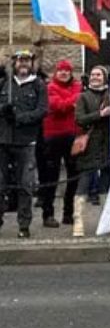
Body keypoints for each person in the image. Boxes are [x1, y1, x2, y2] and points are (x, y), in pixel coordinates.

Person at [1, 49, 47, 238]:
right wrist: (4, 109)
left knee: (25, 185)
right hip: (3, 139)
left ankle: (24, 224)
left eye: (27, 60)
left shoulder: (38, 85)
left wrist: (20, 117)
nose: (23, 63)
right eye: (20, 60)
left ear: (32, 63)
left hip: (26, 140)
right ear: (14, 63)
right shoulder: (4, 83)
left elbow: (42, 110)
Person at [35, 59, 81, 228]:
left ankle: (68, 213)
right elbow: (58, 106)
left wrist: (70, 101)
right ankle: (48, 214)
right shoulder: (49, 88)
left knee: (73, 177)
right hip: (53, 137)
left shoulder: (76, 86)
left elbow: (72, 102)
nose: (63, 73)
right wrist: (73, 101)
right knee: (51, 178)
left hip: (72, 136)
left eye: (67, 71)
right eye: (61, 70)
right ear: (56, 72)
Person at [74, 66, 110, 224]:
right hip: (90, 144)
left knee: (107, 185)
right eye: (93, 74)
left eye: (99, 75)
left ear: (105, 78)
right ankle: (78, 221)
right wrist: (100, 114)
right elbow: (80, 119)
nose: (95, 77)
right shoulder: (83, 97)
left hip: (107, 143)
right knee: (84, 182)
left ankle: (108, 222)